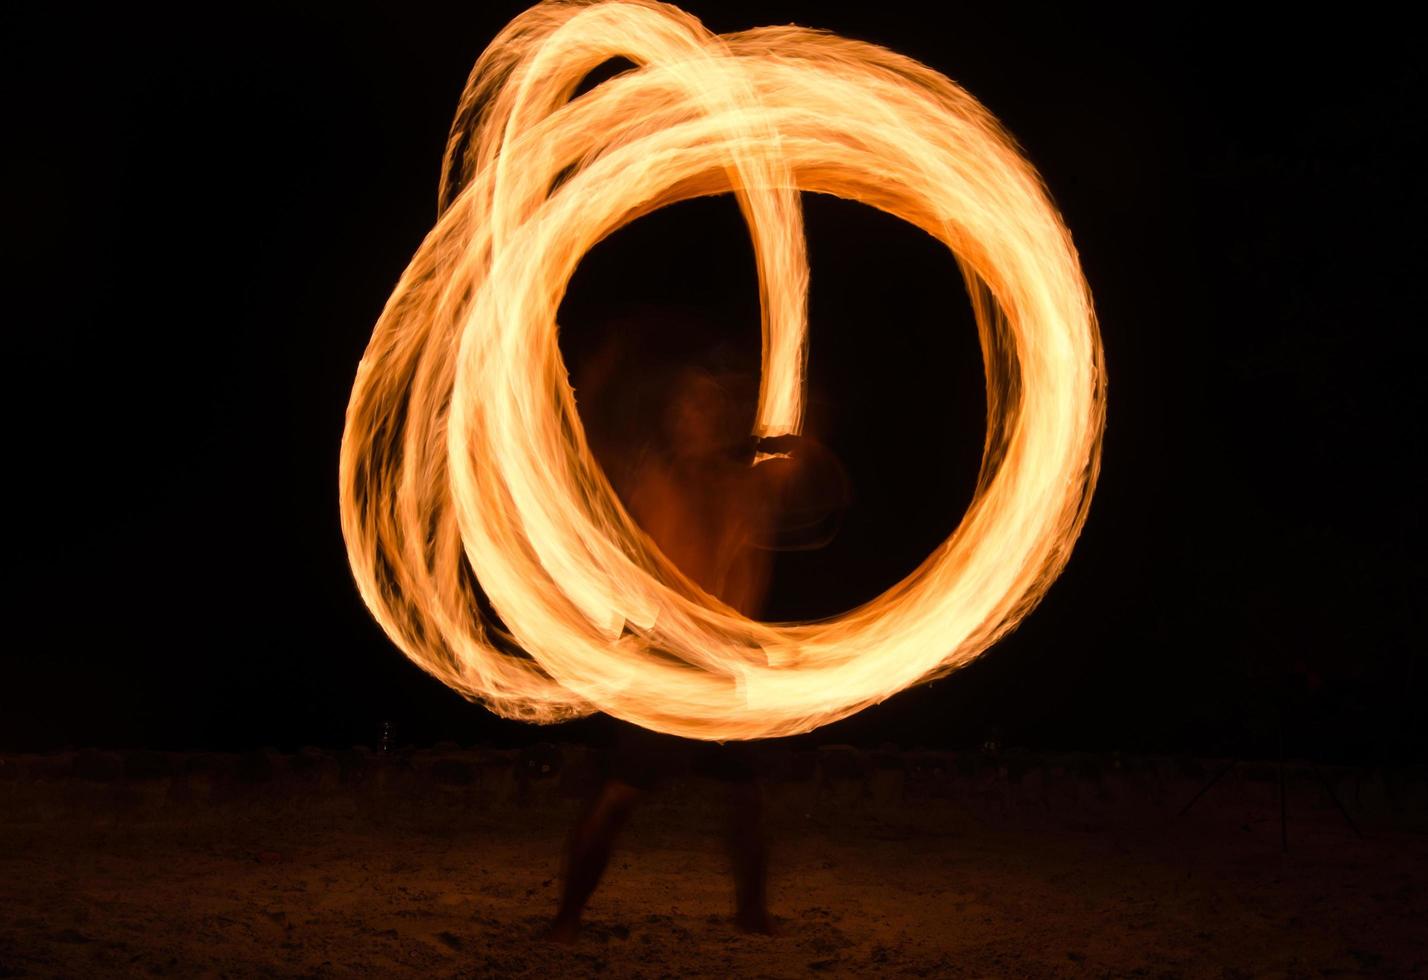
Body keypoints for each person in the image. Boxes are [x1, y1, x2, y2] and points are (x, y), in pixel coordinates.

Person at [548, 368, 845, 943]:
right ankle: (566, 920)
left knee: (746, 800)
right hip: (669, 662)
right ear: (677, 423)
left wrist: (796, 445)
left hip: (726, 666)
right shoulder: (658, 480)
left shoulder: (748, 486)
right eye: (692, 409)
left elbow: (831, 487)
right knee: (618, 798)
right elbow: (586, 484)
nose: (704, 419)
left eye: (713, 410)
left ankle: (752, 914)